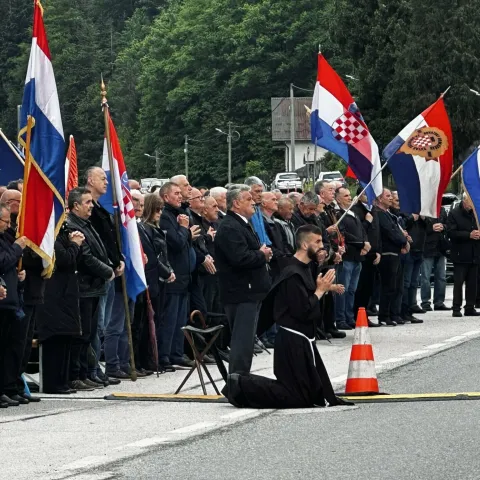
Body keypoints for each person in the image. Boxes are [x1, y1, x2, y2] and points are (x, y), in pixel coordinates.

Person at [222, 225, 352, 409]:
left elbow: (308, 300)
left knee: (312, 394)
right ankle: (241, 384)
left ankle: (242, 383)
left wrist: (323, 289)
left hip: (303, 339)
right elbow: (302, 310)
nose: (322, 246)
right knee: (296, 397)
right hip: (292, 341)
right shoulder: (292, 273)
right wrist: (320, 291)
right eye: (317, 242)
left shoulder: (306, 268)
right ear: (305, 245)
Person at [215, 185, 272, 374]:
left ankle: (241, 378)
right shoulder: (230, 226)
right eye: (248, 199)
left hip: (249, 290)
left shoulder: (241, 223)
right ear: (236, 203)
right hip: (240, 291)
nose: (253, 202)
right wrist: (261, 254)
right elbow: (239, 258)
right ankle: (238, 380)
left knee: (246, 339)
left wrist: (261, 254)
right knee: (242, 340)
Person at [67, 187, 115, 391]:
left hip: (93, 287)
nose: (91, 206)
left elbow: (98, 250)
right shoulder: (72, 226)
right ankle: (77, 375)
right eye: (87, 202)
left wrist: (110, 265)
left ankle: (87, 373)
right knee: (82, 334)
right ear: (75, 205)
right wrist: (107, 271)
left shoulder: (86, 224)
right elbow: (85, 257)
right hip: (84, 287)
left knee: (90, 333)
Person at [86, 167, 126, 382]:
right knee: (97, 324)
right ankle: (92, 370)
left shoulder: (100, 208)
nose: (106, 182)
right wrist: (107, 266)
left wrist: (118, 260)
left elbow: (109, 241)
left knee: (103, 324)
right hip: (98, 275)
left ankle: (96, 369)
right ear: (90, 180)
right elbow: (93, 246)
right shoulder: (89, 211)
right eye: (102, 178)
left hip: (109, 271)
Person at [36, 222, 85, 394]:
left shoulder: (64, 234)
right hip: (53, 295)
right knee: (55, 339)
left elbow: (76, 259)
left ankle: (63, 381)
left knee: (66, 338)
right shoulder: (50, 236)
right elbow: (64, 259)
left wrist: (74, 242)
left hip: (67, 294)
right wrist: (74, 244)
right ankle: (52, 383)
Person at [159, 182, 195, 370]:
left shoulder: (180, 214)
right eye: (176, 193)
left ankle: (177, 352)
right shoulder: (166, 217)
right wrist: (184, 229)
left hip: (184, 275)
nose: (180, 196)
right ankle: (165, 355)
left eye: (181, 193)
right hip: (173, 276)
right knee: (170, 318)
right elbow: (176, 242)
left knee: (181, 318)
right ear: (166, 197)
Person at [137, 194, 175, 373]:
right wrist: (166, 272)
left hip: (161, 280)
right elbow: (152, 256)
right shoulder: (145, 229)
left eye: (162, 209)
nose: (159, 213)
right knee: (149, 322)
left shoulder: (155, 228)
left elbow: (163, 255)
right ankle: (148, 359)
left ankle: (155, 358)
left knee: (158, 320)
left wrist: (169, 270)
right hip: (153, 279)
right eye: (157, 209)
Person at [0, 203, 27, 407]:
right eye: (5, 221)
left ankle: (9, 387)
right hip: (3, 303)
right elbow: (3, 261)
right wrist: (18, 247)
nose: (8, 225)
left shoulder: (4, 237)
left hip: (11, 301)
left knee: (11, 348)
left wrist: (20, 275)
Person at [334, 187, 370, 329]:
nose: (350, 198)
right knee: (344, 288)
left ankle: (350, 317)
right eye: (346, 196)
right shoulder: (339, 214)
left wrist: (365, 244)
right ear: (338, 199)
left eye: (350, 195)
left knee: (352, 289)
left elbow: (362, 231)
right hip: (347, 257)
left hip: (358, 257)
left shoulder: (353, 213)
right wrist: (361, 243)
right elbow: (344, 234)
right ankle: (341, 318)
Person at [375, 189, 409, 326]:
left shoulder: (389, 214)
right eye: (387, 196)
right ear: (379, 199)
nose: (390, 198)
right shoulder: (380, 214)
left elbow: (397, 229)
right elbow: (390, 231)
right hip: (388, 254)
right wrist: (403, 241)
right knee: (388, 287)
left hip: (396, 254)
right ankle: (384, 315)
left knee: (396, 287)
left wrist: (404, 239)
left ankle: (394, 314)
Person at [352, 187, 382, 328]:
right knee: (360, 287)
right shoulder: (356, 210)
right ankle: (357, 315)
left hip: (373, 253)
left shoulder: (373, 209)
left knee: (369, 287)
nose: (368, 196)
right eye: (365, 193)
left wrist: (378, 251)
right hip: (362, 252)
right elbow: (360, 231)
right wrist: (367, 221)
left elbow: (378, 232)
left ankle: (365, 314)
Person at [447, 196, 480, 317]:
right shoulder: (454, 213)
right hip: (460, 253)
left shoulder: (476, 213)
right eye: (470, 202)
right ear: (464, 201)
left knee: (472, 282)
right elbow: (451, 232)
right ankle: (456, 307)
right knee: (458, 282)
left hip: (474, 253)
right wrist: (468, 235)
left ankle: (470, 307)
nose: (472, 205)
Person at [421, 208, 450, 311]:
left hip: (440, 248)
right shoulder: (423, 209)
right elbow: (419, 228)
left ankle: (439, 302)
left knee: (441, 277)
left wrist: (443, 227)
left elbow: (448, 225)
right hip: (427, 248)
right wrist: (431, 228)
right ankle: (425, 302)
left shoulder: (441, 210)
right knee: (425, 277)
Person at [244, 176, 271, 246]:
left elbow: (263, 233)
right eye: (257, 191)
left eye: (261, 191)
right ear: (247, 191)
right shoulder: (244, 211)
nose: (260, 195)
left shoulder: (257, 208)